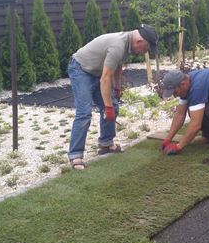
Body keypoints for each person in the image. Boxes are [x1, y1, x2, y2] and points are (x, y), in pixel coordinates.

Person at [67, 24, 158, 169]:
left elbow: (117, 66)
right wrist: (107, 107)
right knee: (84, 112)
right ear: (139, 42)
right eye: (146, 48)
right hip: (81, 69)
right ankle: (75, 155)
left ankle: (106, 143)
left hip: (97, 72)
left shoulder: (127, 45)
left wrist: (117, 87)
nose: (145, 52)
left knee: (113, 106)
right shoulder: (118, 46)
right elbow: (105, 78)